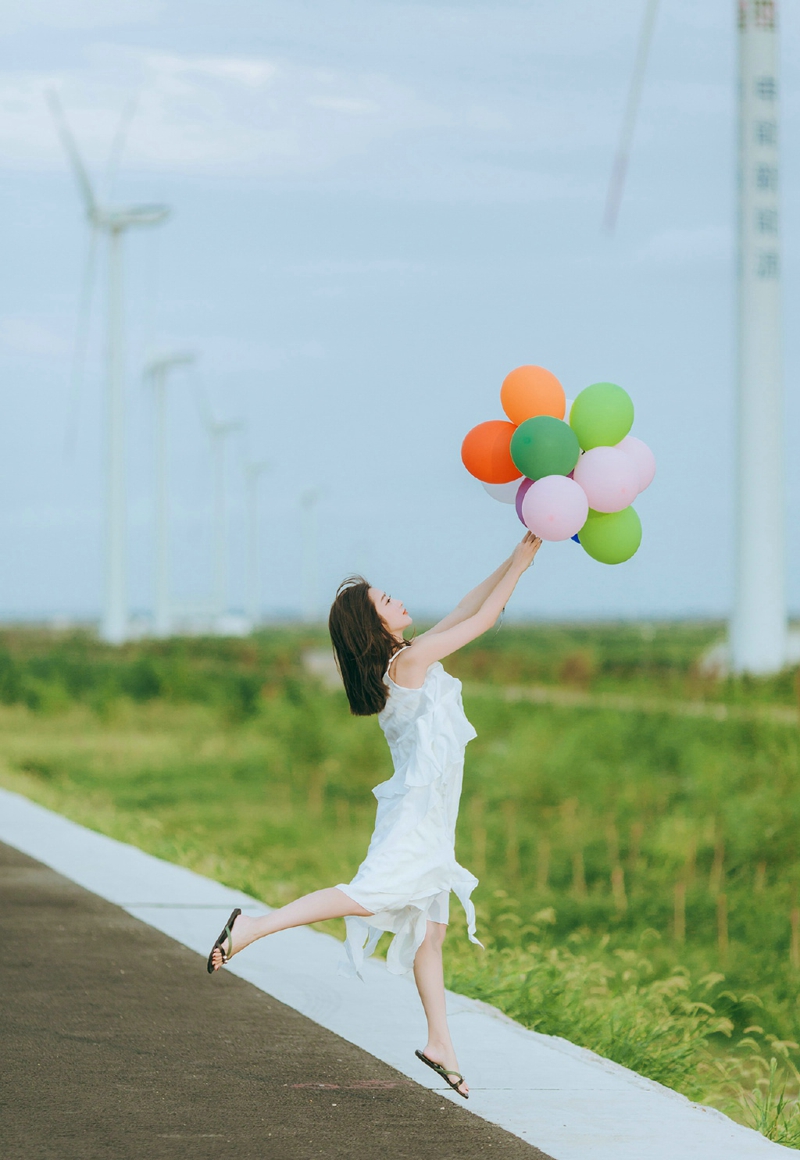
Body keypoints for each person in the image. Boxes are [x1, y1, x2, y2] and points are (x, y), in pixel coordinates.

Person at [207, 531, 542, 1098]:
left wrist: (515, 555)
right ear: (373, 625)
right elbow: (482, 621)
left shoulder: (407, 658)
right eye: (387, 602)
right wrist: (525, 563)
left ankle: (441, 1043)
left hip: (433, 820)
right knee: (368, 895)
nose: (399, 602)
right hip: (415, 819)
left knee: (430, 933)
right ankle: (253, 927)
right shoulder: (410, 663)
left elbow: (468, 606)